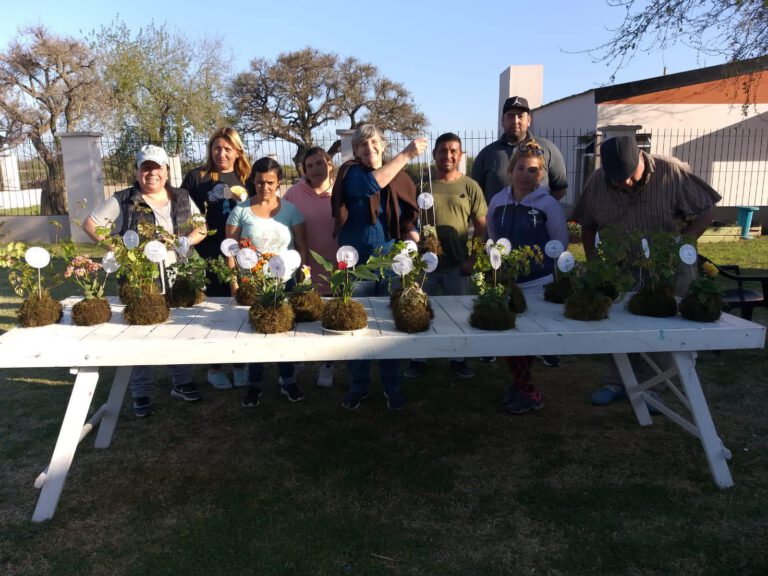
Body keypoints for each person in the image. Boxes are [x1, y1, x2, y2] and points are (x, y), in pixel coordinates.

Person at [571, 135, 722, 406]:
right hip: (622, 268)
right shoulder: (597, 182)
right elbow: (587, 223)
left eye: (629, 175)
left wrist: (683, 242)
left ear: (641, 156)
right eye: (616, 178)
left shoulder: (670, 173)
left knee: (661, 324)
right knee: (617, 324)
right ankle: (615, 380)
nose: (624, 182)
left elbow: (707, 209)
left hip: (668, 267)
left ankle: (652, 386)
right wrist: (595, 261)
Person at [84, 144, 208, 418]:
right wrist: (116, 249)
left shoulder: (182, 197)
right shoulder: (123, 199)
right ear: (137, 171)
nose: (152, 173)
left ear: (166, 171)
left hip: (177, 276)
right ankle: (141, 393)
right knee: (139, 335)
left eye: (157, 168)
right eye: (146, 167)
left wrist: (185, 240)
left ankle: (182, 382)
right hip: (140, 279)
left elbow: (202, 227)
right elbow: (90, 224)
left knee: (178, 331)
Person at [331, 123, 427, 410]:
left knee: (388, 328)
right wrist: (407, 154)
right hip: (355, 264)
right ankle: (359, 385)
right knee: (354, 328)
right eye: (363, 145)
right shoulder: (352, 174)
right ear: (356, 151)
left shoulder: (398, 178)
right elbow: (375, 184)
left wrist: (414, 238)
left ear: (383, 146)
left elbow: (409, 217)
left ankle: (391, 385)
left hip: (389, 264)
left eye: (374, 143)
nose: (369, 149)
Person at [486, 140, 569, 414]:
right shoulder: (498, 201)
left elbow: (559, 242)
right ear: (511, 171)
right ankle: (521, 385)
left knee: (527, 338)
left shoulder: (549, 205)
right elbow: (493, 237)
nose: (525, 174)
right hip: (509, 282)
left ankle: (527, 392)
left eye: (532, 170)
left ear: (540, 175)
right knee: (508, 338)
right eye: (520, 168)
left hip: (538, 281)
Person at [225, 157, 309, 408]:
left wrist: (302, 279)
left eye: (270, 182)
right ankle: (254, 384)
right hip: (253, 285)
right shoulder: (241, 211)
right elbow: (230, 250)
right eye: (260, 182)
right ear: (253, 181)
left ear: (278, 182)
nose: (265, 188)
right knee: (255, 334)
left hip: (284, 284)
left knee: (284, 332)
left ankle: (288, 380)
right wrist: (235, 285)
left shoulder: (291, 211)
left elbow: (302, 247)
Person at [403, 133, 487, 380]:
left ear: (460, 155)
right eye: (442, 150)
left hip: (457, 265)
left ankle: (458, 358)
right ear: (434, 154)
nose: (447, 156)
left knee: (458, 314)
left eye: (453, 151)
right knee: (419, 310)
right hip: (424, 265)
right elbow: (408, 220)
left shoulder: (470, 187)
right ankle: (418, 358)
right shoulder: (422, 184)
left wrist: (473, 260)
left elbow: (482, 228)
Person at [182, 126, 252, 391]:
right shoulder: (197, 177)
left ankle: (240, 363)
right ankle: (214, 366)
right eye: (217, 147)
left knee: (241, 306)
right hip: (208, 253)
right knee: (214, 311)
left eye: (227, 148)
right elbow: (182, 211)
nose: (221, 153)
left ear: (237, 152)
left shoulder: (246, 176)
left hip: (243, 253)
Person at [284, 147, 336, 387]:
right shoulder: (294, 194)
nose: (315, 169)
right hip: (305, 267)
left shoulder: (341, 190)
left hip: (336, 265)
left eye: (319, 163)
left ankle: (327, 364)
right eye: (310, 166)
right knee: (304, 316)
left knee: (330, 317)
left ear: (330, 164)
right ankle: (298, 361)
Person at [471, 96, 569, 205]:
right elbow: (474, 193)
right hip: (498, 220)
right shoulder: (486, 154)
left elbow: (560, 189)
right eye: (511, 116)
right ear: (502, 121)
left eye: (520, 116)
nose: (516, 121)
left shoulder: (548, 150)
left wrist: (542, 209)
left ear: (529, 120)